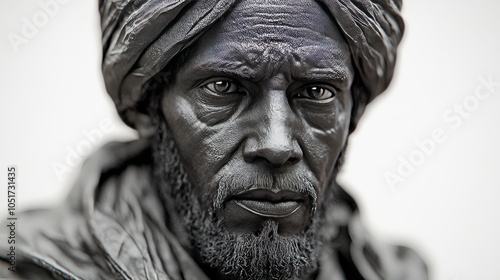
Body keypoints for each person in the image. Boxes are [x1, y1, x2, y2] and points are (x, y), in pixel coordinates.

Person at [1, 0, 428, 279]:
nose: (277, 144)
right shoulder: (25, 269)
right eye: (224, 88)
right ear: (149, 108)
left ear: (351, 112)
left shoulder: (395, 271)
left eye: (316, 93)